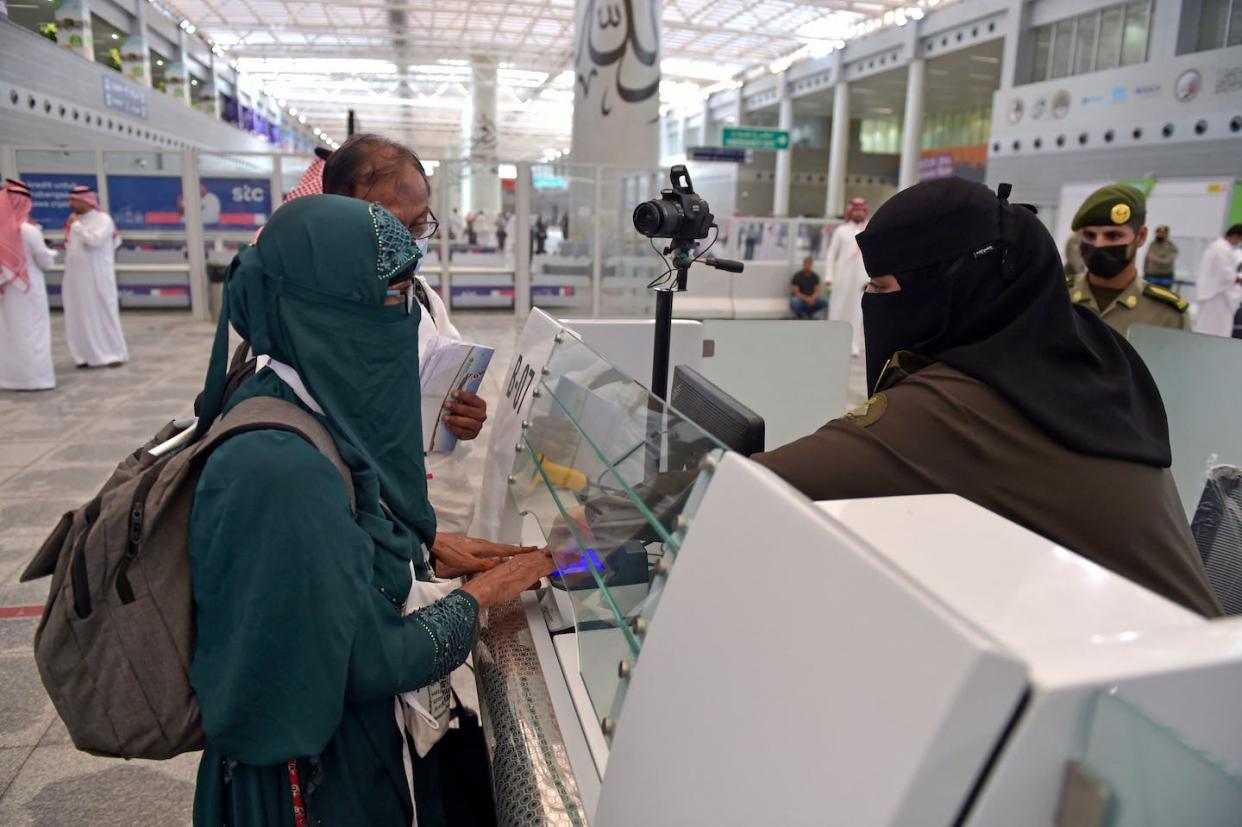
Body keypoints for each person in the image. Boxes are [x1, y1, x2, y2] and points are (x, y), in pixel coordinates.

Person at [188, 194, 557, 825]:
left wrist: (423, 544)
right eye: (393, 298)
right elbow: (368, 659)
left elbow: (333, 553)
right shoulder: (280, 471)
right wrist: (485, 595)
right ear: (323, 310)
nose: (408, 320)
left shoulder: (296, 393)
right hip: (310, 791)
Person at [752, 177, 1221, 617]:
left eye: (881, 287)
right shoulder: (1090, 351)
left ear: (949, 290)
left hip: (1142, 692)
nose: (872, 301)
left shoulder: (956, 409)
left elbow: (751, 485)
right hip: (1170, 661)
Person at [317, 133, 484, 533]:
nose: (407, 242)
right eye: (391, 223)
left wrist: (467, 419)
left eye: (418, 223)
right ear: (338, 213)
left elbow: (453, 397)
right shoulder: (299, 317)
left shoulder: (424, 299)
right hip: (356, 532)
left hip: (440, 521)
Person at [1067, 184, 1191, 336]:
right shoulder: (1055, 295)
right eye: (1090, 236)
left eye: (1113, 236)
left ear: (1141, 236)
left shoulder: (1167, 315)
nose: (1098, 245)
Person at [62, 185, 128, 368]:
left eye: (74, 200)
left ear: (85, 200)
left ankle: (113, 354)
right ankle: (85, 356)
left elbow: (95, 241)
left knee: (102, 312)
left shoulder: (102, 219)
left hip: (98, 277)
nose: (70, 204)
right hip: (76, 280)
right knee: (79, 315)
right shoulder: (73, 221)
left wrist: (77, 226)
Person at [0, 179, 56, 390]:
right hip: (29, 288)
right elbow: (44, 262)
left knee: (9, 332)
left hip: (7, 289)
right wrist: (51, 253)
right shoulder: (28, 230)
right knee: (34, 332)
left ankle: (11, 379)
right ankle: (36, 380)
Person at [825, 197, 869, 356]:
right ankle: (832, 342)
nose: (859, 212)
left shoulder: (869, 230)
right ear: (850, 211)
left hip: (862, 280)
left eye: (861, 210)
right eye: (855, 210)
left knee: (858, 312)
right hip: (842, 278)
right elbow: (831, 255)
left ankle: (854, 346)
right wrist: (828, 277)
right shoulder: (841, 231)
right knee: (837, 308)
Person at [1193, 224, 1242, 337]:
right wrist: (1238, 279)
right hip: (1216, 297)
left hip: (1216, 294)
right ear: (1235, 235)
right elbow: (1225, 274)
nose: (1238, 242)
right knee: (1214, 331)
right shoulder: (1221, 249)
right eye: (1240, 239)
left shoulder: (1220, 247)